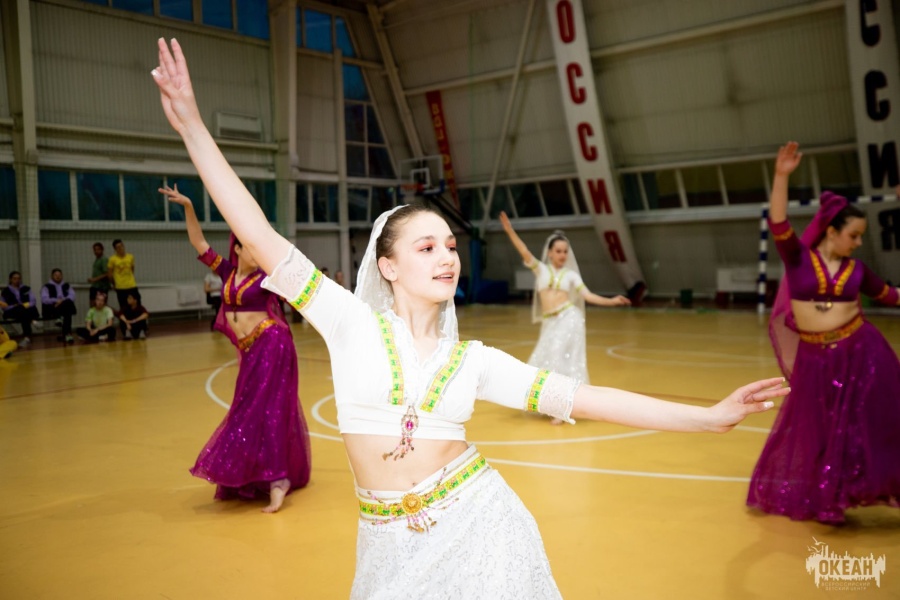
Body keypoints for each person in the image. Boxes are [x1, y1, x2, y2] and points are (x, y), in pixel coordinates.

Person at [152, 38, 788, 595]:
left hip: (483, 526)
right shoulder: (348, 322)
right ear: (388, 266)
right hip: (385, 545)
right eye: (426, 247)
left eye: (451, 247)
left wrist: (707, 418)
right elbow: (258, 234)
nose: (447, 258)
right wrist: (193, 128)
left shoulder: (474, 362)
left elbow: (588, 398)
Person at [747, 141, 900, 524]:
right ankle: (825, 498)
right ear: (832, 231)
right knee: (819, 429)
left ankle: (848, 494)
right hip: (815, 360)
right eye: (854, 235)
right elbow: (778, 222)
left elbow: (891, 295)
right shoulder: (798, 258)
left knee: (861, 428)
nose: (858, 243)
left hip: (861, 353)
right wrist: (781, 175)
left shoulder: (858, 270)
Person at [159, 182, 311, 513]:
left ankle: (278, 480)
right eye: (251, 249)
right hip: (250, 351)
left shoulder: (266, 278)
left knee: (270, 410)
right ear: (238, 249)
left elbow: (297, 283)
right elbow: (199, 243)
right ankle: (253, 474)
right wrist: (188, 206)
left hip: (273, 344)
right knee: (247, 410)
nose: (258, 254)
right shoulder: (226, 272)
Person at [500, 212, 631, 423]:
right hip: (550, 322)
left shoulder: (571, 275)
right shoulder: (540, 269)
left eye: (565, 251)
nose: (562, 254)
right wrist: (509, 230)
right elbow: (524, 251)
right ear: (550, 253)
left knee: (557, 356)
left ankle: (560, 407)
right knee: (545, 358)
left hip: (569, 318)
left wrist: (611, 301)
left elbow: (588, 296)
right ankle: (552, 401)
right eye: (558, 251)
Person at [1, 271, 41, 348]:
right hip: (12, 311)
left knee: (24, 313)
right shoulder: (5, 291)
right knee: (21, 310)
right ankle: (32, 322)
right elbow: (4, 307)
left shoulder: (26, 289)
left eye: (18, 278)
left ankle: (26, 338)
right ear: (10, 279)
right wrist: (15, 306)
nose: (17, 280)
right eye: (15, 278)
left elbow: (33, 301)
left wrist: (24, 305)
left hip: (25, 310)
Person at [41, 268, 77, 344]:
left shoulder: (67, 285)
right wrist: (56, 301)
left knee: (67, 305)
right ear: (52, 276)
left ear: (62, 276)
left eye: (59, 275)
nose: (58, 276)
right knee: (67, 312)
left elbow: (72, 296)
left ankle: (60, 320)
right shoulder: (46, 287)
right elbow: (44, 299)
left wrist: (62, 301)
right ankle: (67, 334)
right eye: (56, 275)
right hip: (52, 307)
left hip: (64, 306)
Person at [108, 238, 140, 309]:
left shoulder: (130, 257)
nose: (121, 248)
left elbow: (132, 269)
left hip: (132, 285)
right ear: (115, 249)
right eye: (118, 247)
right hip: (120, 287)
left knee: (137, 304)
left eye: (122, 246)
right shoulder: (112, 259)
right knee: (124, 307)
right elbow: (110, 275)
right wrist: (114, 284)